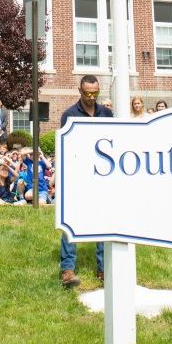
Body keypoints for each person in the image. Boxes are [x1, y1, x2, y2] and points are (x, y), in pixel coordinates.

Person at [59, 76, 113, 288]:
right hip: (78, 173)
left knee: (103, 221)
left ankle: (103, 268)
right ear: (79, 91)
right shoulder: (69, 115)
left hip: (102, 174)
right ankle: (68, 269)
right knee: (71, 222)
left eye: (95, 93)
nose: (91, 97)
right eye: (87, 93)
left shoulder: (107, 114)